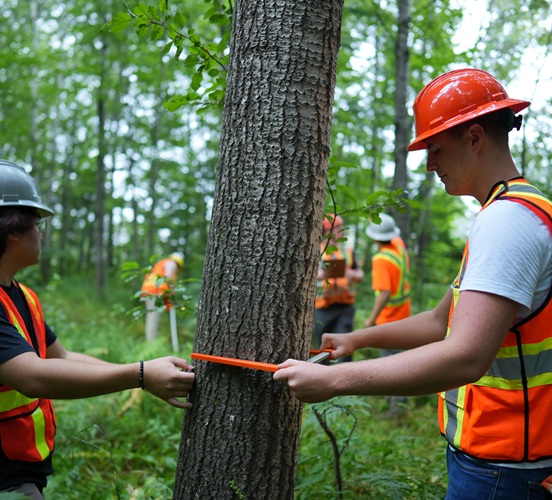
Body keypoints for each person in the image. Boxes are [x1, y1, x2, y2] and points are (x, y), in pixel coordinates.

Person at [274, 68, 552, 499]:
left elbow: (464, 357)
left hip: (505, 469)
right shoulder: (520, 210)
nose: (430, 164)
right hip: (504, 462)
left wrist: (334, 382)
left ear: (474, 138)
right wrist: (357, 340)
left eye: (436, 148)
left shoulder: (506, 222)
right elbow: (442, 320)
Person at [0, 160, 195, 499]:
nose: (41, 235)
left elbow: (63, 356)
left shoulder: (23, 296)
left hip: (21, 469)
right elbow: (31, 376)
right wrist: (139, 375)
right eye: (37, 225)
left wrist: (141, 376)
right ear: (13, 229)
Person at [365, 213, 411, 415]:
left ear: (374, 237)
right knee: (399, 359)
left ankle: (397, 407)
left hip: (388, 319)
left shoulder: (382, 259)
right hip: (404, 315)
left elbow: (384, 293)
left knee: (391, 365)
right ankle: (394, 397)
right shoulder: (399, 247)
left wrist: (371, 320)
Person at [314, 214, 364, 362]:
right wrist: (324, 274)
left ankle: (347, 379)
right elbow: (311, 274)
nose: (341, 230)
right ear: (327, 231)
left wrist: (356, 275)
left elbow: (359, 272)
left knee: (347, 345)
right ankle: (321, 379)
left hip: (345, 306)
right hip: (322, 307)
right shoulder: (317, 251)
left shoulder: (347, 251)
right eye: (337, 228)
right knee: (322, 348)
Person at [141, 252, 184, 343]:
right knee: (153, 317)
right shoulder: (172, 263)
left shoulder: (162, 263)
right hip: (155, 291)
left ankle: (151, 341)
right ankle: (151, 343)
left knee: (151, 316)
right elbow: (168, 277)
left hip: (148, 290)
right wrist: (172, 289)